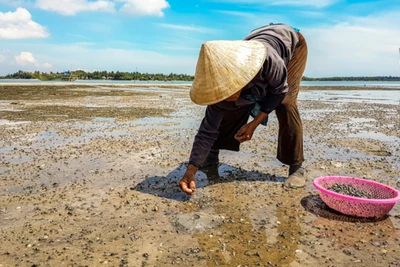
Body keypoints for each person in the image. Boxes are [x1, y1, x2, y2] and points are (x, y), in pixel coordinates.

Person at [179, 23, 308, 195]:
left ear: (241, 79)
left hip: (292, 44)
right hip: (257, 43)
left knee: (286, 103)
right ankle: (211, 155)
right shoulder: (221, 84)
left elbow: (279, 91)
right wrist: (191, 169)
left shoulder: (269, 60)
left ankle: (296, 166)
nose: (224, 95)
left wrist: (254, 124)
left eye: (229, 89)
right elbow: (206, 131)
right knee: (229, 106)